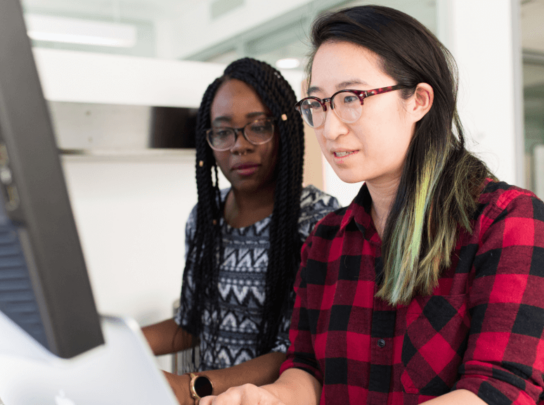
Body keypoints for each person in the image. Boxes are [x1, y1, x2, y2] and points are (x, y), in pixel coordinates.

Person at [201, 5, 544, 405]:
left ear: (418, 100)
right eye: (318, 104)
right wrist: (270, 398)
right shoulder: (326, 239)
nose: (330, 128)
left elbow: (499, 388)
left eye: (351, 98)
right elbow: (307, 368)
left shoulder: (505, 220)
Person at [142, 57, 339, 405]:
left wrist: (191, 386)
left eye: (258, 126)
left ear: (284, 130)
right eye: (223, 132)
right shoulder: (205, 218)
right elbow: (191, 323)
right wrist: (115, 345)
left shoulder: (319, 221)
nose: (239, 145)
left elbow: (297, 352)